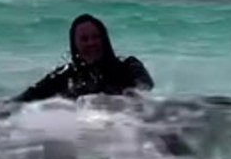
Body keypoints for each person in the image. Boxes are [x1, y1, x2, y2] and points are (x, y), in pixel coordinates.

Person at [14, 14, 154, 103]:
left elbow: (145, 86)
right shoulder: (65, 75)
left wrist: (132, 96)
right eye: (84, 39)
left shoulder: (128, 66)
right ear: (75, 44)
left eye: (95, 37)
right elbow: (29, 97)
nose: (91, 43)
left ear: (104, 39)